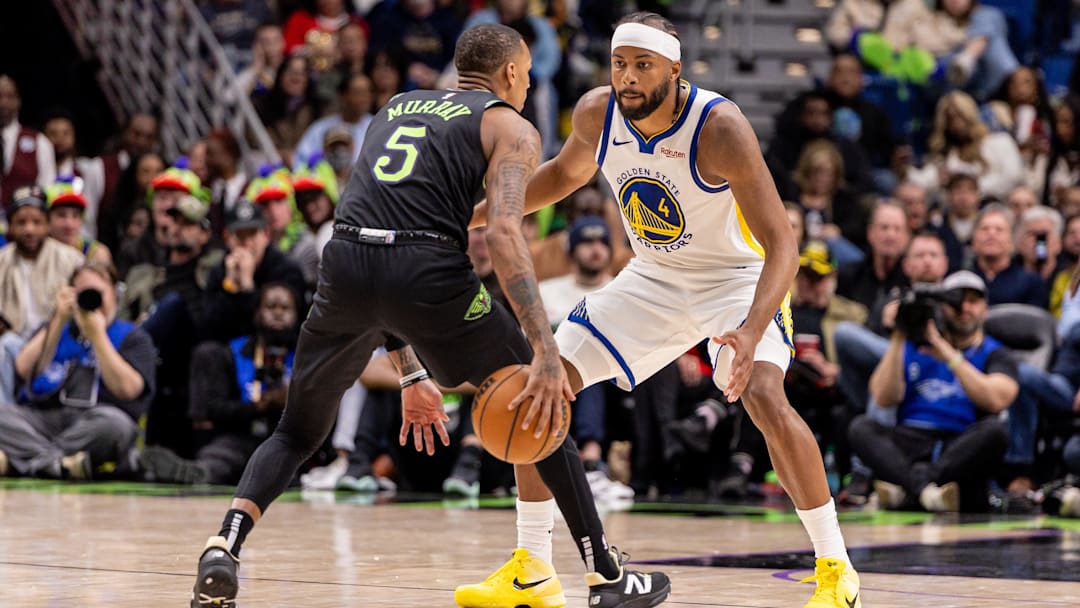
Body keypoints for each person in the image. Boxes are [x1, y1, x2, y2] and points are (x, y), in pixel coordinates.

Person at [189, 23, 670, 608]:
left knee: (296, 431)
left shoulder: (394, 108)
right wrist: (544, 349)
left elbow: (379, 242)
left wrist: (412, 373)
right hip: (426, 267)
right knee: (542, 398)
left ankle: (224, 545)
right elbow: (501, 232)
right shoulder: (509, 124)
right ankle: (607, 576)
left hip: (344, 261)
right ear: (515, 74)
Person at [465, 12, 860, 608]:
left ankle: (836, 567)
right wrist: (469, 212)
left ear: (675, 69)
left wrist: (752, 332)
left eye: (642, 66)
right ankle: (533, 568)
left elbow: (784, 246)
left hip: (736, 279)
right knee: (539, 385)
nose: (627, 77)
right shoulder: (598, 112)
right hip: (652, 277)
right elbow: (558, 179)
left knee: (764, 396)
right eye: (620, 63)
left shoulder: (720, 126)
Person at [852, 270, 1016, 512]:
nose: (964, 309)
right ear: (941, 307)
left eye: (973, 301)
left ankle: (911, 486)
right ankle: (928, 491)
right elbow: (883, 397)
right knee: (861, 428)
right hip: (909, 439)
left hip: (957, 445)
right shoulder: (914, 345)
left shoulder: (994, 353)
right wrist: (899, 334)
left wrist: (946, 352)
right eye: (956, 302)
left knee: (996, 431)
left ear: (985, 309)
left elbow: (997, 400)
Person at [0, 262, 156, 479]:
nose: (89, 299)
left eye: (97, 293)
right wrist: (58, 319)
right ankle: (57, 464)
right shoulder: (57, 327)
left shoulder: (133, 336)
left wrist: (97, 336)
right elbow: (23, 369)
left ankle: (24, 461)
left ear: (113, 293)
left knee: (116, 426)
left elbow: (129, 390)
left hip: (95, 420)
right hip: (46, 418)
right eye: (82, 292)